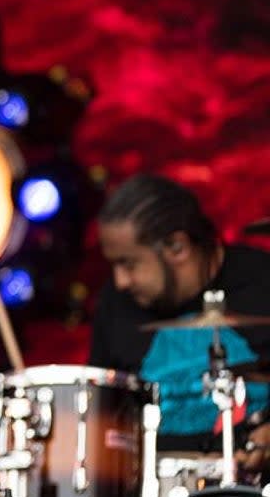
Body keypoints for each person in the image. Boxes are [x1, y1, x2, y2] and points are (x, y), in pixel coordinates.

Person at [89, 174, 270, 471]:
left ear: (177, 247)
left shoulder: (263, 283)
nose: (120, 281)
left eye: (129, 264)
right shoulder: (117, 304)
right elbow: (99, 416)